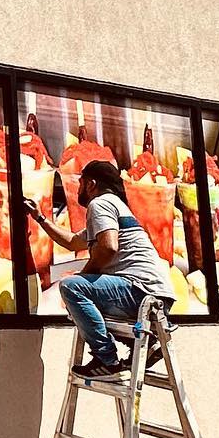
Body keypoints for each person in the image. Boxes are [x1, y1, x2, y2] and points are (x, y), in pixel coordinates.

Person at [22, 158, 175, 376]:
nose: (78, 190)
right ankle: (145, 344)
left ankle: (107, 360)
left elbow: (108, 247)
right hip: (155, 296)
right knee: (83, 304)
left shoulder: (101, 203)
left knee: (72, 288)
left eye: (81, 183)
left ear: (92, 184)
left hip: (140, 292)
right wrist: (40, 218)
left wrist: (84, 277)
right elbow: (73, 241)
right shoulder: (115, 207)